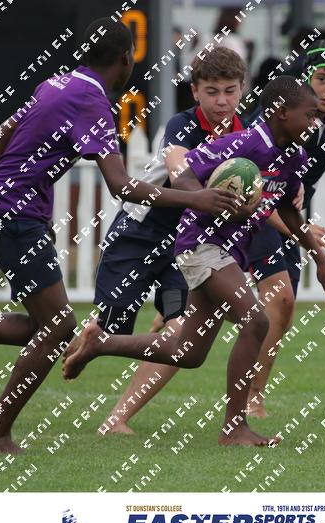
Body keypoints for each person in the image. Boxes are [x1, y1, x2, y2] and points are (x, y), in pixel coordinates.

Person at [0, 18, 238, 454]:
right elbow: (121, 186)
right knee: (58, 326)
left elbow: (1, 135)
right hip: (15, 214)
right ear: (125, 59)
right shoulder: (93, 102)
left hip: (7, 209)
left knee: (48, 326)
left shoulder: (55, 83)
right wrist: (197, 199)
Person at [62, 76, 325, 447]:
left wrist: (318, 257)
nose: (315, 123)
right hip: (200, 244)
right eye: (309, 115)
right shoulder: (245, 143)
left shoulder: (294, 156)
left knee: (188, 352)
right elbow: (185, 170)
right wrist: (204, 198)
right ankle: (234, 429)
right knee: (256, 320)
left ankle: (101, 343)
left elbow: (288, 209)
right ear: (282, 113)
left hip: (229, 253)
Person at [95, 46, 249, 435]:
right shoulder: (183, 124)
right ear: (195, 91)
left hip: (188, 245)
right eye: (212, 91)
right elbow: (179, 171)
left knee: (180, 332)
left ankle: (116, 419)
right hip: (140, 233)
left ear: (242, 89)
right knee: (112, 333)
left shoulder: (245, 133)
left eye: (230, 90)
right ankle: (85, 342)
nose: (222, 100)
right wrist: (205, 197)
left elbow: (260, 186)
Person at [245, 39, 325, 417]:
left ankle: (254, 394)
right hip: (253, 208)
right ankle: (249, 398)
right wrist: (302, 231)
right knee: (275, 299)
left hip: (291, 211)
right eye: (322, 79)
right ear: (306, 78)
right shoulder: (282, 111)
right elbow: (252, 181)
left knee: (283, 306)